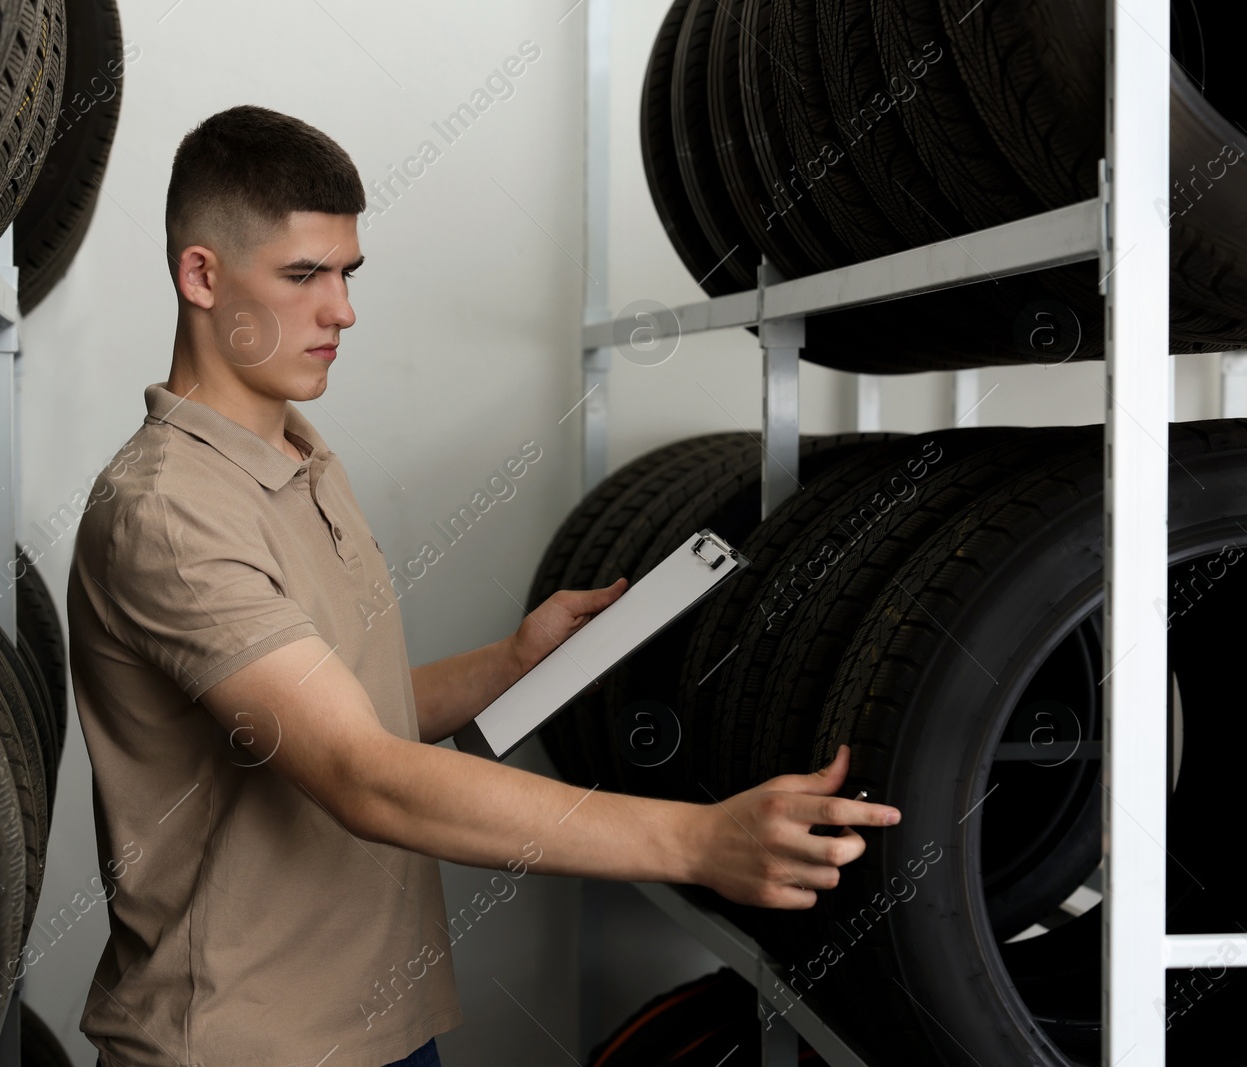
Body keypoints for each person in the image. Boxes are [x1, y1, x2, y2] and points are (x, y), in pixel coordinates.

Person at [66, 104, 900, 1067]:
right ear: (201, 274)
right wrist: (698, 844)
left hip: (380, 1025)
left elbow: (338, 716)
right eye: (303, 275)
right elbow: (361, 775)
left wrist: (512, 662)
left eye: (347, 273)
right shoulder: (171, 511)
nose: (342, 310)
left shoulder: (300, 456)